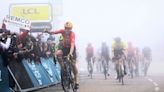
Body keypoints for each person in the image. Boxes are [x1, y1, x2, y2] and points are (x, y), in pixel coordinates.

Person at [45, 21, 79, 89]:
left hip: (72, 49)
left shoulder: (72, 34)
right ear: (65, 28)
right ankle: (63, 67)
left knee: (73, 64)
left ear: (71, 29)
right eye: (66, 28)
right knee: (57, 54)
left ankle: (76, 80)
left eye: (69, 28)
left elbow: (72, 44)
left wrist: (70, 53)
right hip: (65, 48)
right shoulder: (62, 31)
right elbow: (54, 32)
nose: (67, 30)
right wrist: (47, 31)